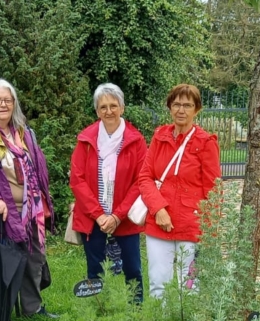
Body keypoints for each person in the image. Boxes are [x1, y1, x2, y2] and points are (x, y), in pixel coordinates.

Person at [0, 78, 57, 320]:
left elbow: (39, 169)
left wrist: (43, 198)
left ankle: (33, 308)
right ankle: (2, 313)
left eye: (7, 100)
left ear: (14, 104)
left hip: (31, 211)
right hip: (1, 213)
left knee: (34, 258)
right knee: (4, 263)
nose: (2, 105)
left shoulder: (25, 133)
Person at [138, 84, 221, 298]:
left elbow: (213, 190)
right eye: (176, 104)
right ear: (169, 107)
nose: (181, 110)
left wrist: (210, 231)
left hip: (191, 224)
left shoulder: (205, 142)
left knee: (190, 286)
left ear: (197, 109)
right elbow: (145, 177)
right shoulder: (160, 137)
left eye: (187, 105)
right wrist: (158, 209)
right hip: (159, 223)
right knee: (158, 284)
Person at [70, 83, 148, 299]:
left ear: (122, 108)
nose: (109, 111)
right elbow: (78, 180)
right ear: (97, 111)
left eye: (113, 105)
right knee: (95, 271)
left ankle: (136, 314)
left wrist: (116, 215)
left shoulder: (136, 140)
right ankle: (99, 313)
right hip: (92, 217)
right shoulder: (85, 140)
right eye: (103, 107)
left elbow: (140, 181)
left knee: (132, 270)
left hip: (125, 217)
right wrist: (99, 215)